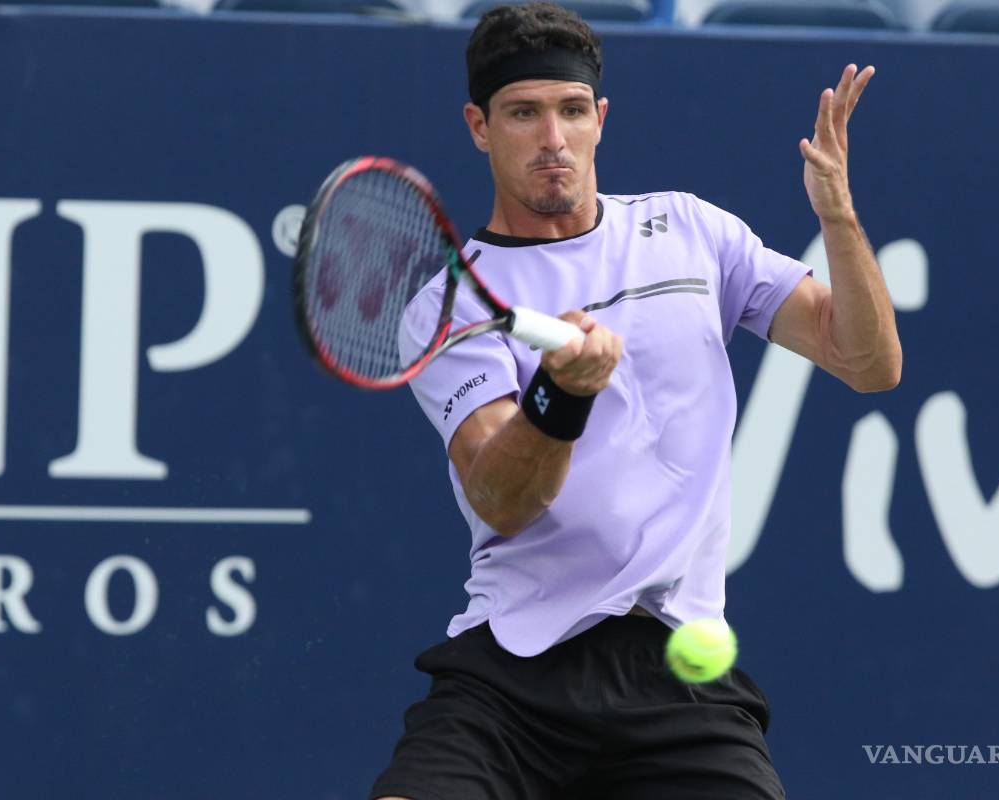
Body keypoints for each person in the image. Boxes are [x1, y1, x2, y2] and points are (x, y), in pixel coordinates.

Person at [373, 3, 901, 798]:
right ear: (480, 126)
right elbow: (501, 497)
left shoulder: (691, 232)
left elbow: (868, 363)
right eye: (524, 113)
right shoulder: (452, 303)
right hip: (513, 680)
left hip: (680, 679)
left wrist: (838, 217)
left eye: (571, 110)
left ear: (600, 118)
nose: (553, 139)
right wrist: (561, 396)